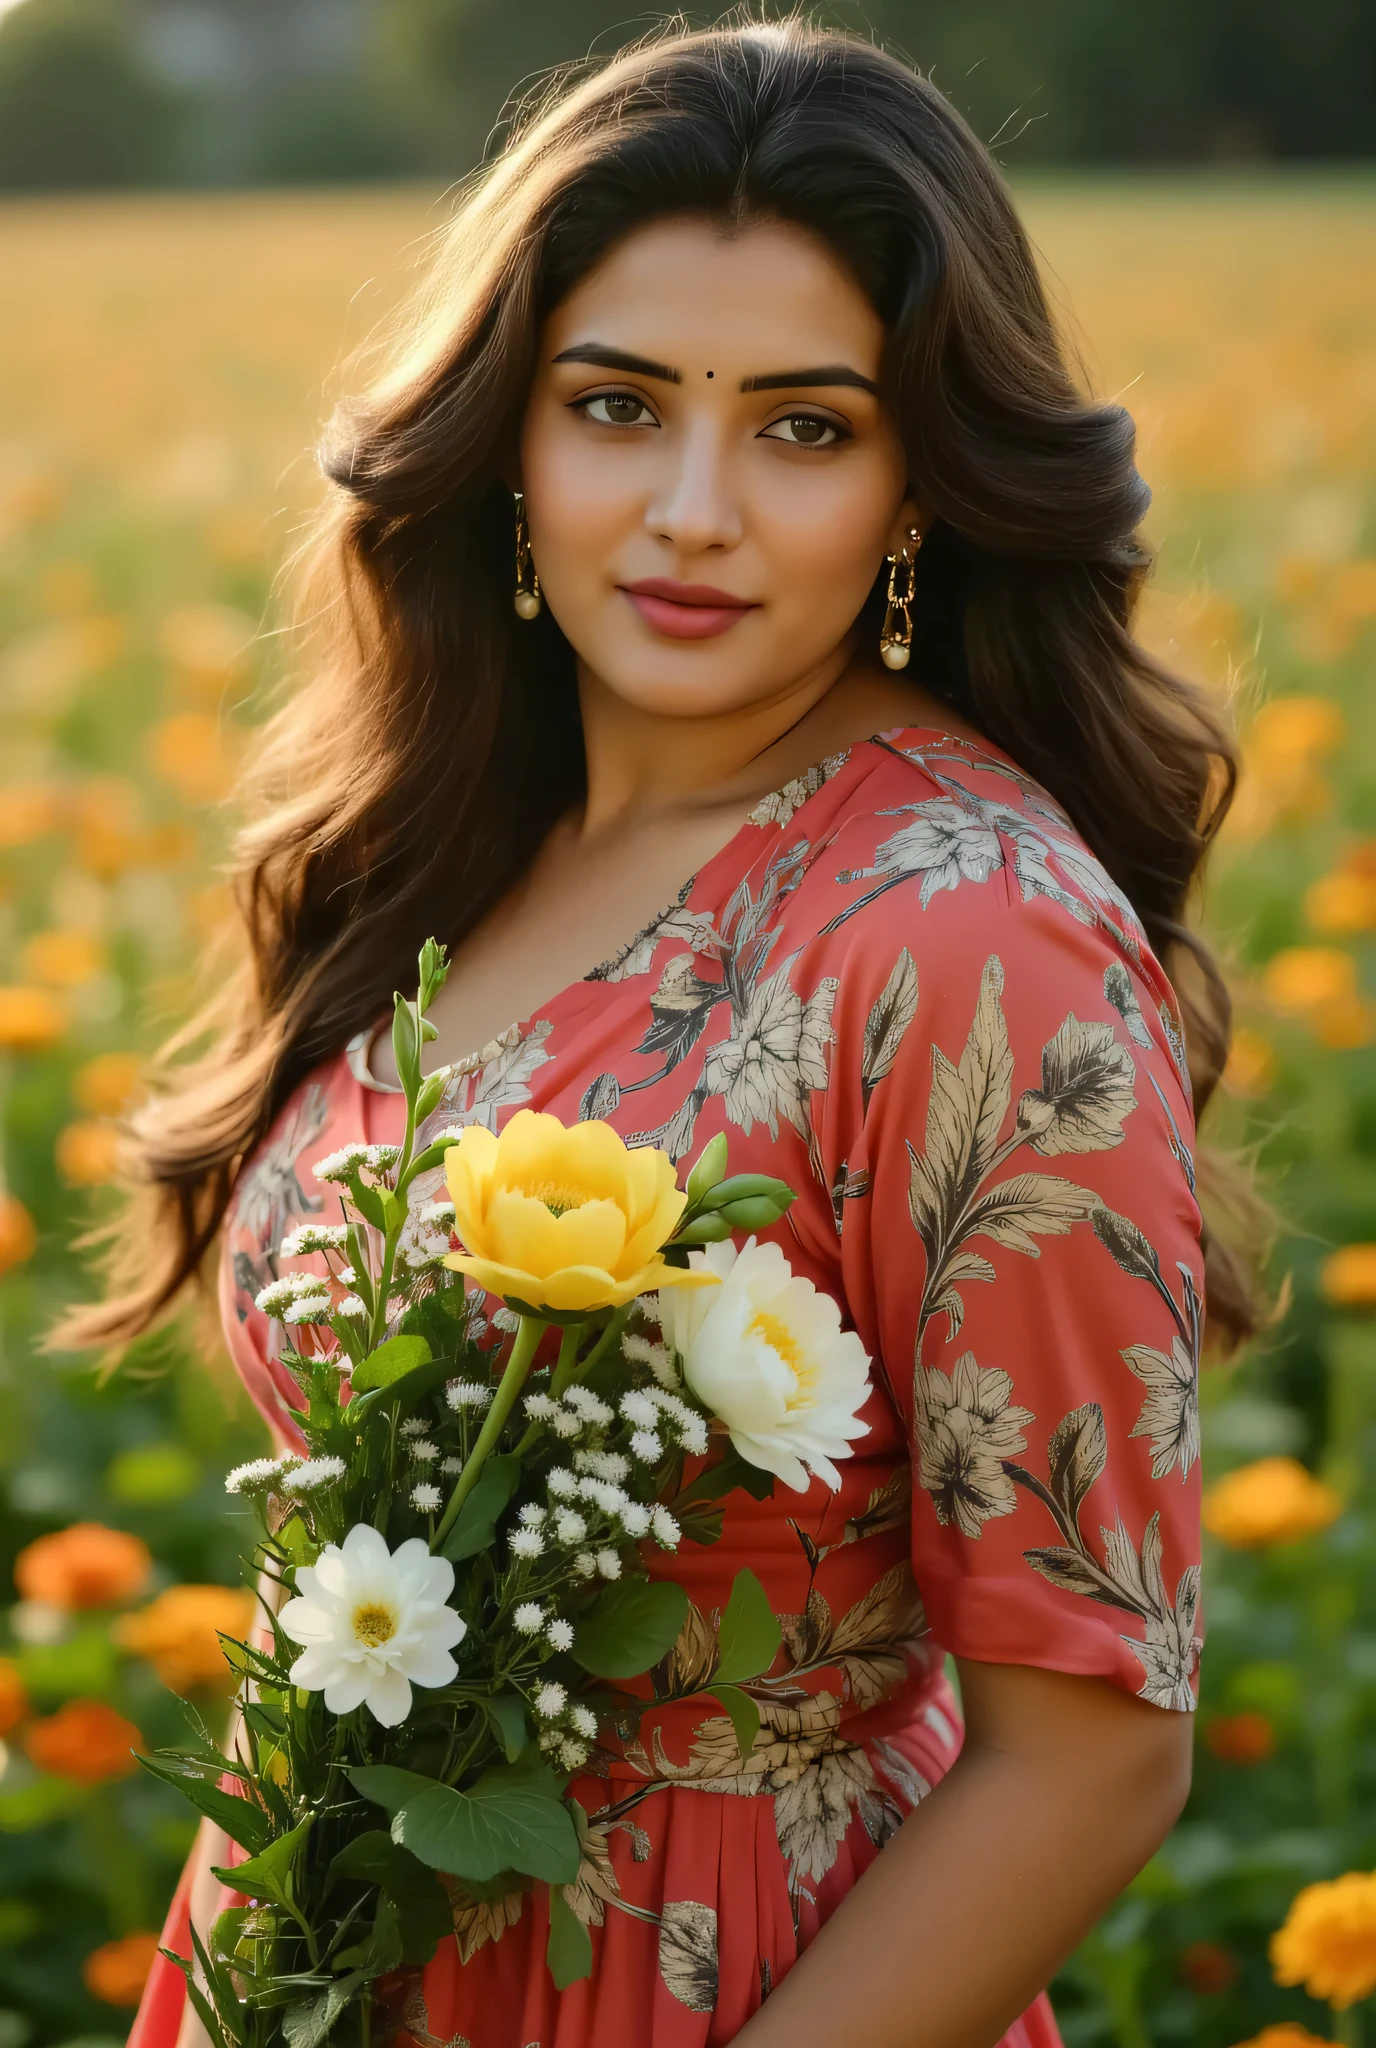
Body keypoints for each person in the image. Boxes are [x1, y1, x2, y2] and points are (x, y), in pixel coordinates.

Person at [59, 19, 1261, 2048]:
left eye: (803, 428)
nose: (690, 508)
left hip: (734, 1977)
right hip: (326, 1932)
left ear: (917, 484)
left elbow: (1092, 1751)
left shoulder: (972, 938)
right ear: (508, 439)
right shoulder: (448, 839)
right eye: (616, 406)